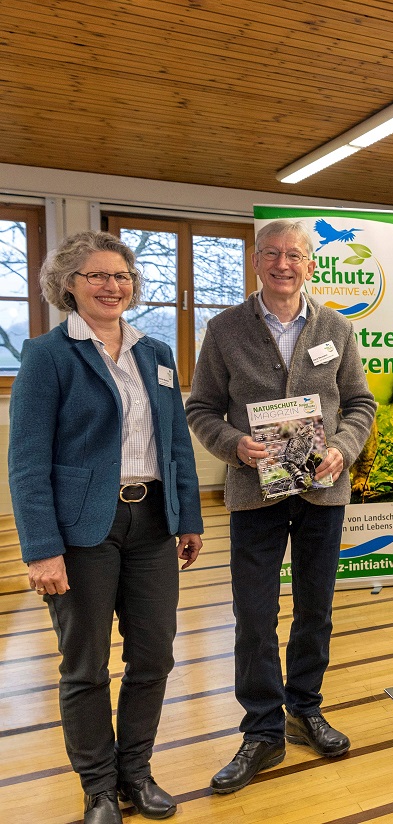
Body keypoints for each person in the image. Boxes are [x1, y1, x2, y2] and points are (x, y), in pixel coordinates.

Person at [11, 231, 204, 824]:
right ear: (68, 285)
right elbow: (26, 461)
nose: (111, 286)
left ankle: (136, 772)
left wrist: (188, 516)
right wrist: (42, 549)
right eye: (96, 275)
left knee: (154, 656)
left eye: (120, 275)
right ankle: (98, 786)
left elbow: (174, 442)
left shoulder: (157, 353)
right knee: (85, 663)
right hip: (80, 529)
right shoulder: (48, 354)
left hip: (151, 522)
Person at [186, 219, 376, 793]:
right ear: (256, 261)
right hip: (253, 493)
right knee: (255, 614)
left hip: (321, 491)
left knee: (315, 609)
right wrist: (232, 445)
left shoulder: (336, 329)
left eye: (294, 255)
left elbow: (361, 403)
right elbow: (201, 409)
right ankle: (263, 730)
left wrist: (342, 449)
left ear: (311, 266)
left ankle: (304, 708)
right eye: (272, 254)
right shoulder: (224, 330)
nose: (283, 264)